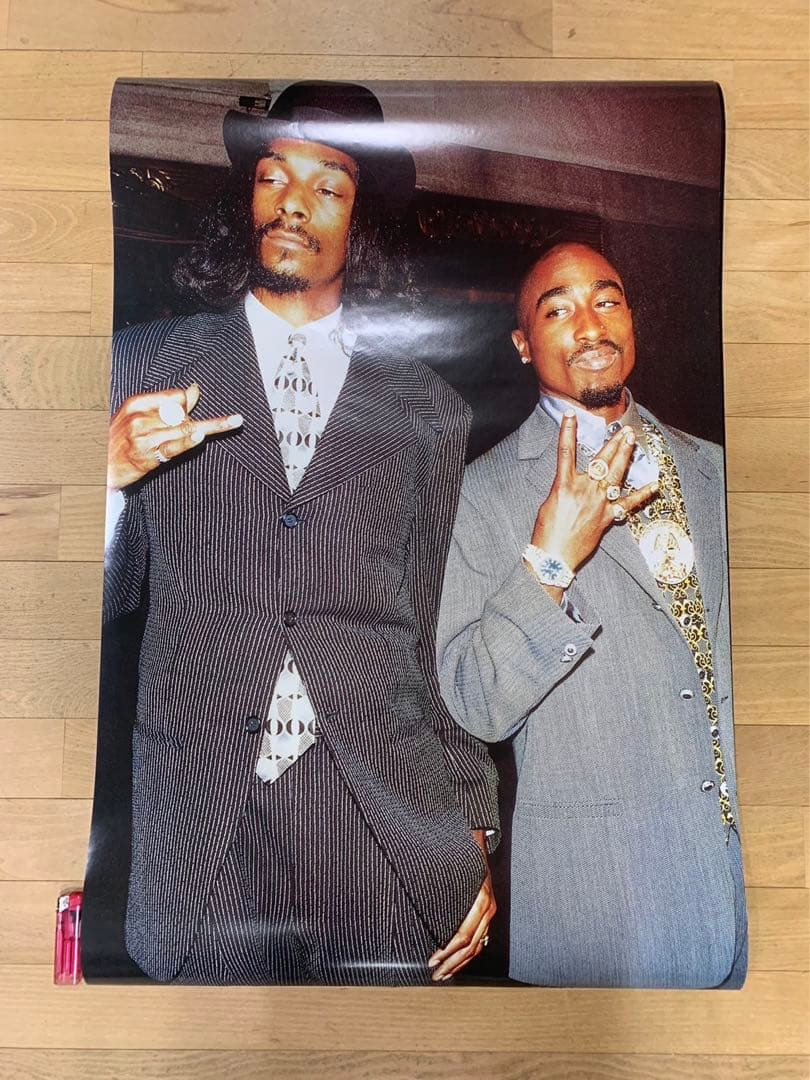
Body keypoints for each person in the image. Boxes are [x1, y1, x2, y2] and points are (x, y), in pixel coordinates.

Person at [101, 81, 498, 986]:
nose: (292, 203)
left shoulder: (429, 408)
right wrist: (109, 481)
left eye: (329, 186)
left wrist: (473, 822)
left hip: (380, 817)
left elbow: (437, 627)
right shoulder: (140, 366)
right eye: (274, 176)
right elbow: (89, 606)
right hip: (200, 814)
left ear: (361, 221)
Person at [437, 240, 747, 989]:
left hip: (762, 895)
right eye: (558, 310)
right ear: (522, 343)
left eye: (607, 301)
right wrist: (550, 561)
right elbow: (473, 699)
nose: (590, 325)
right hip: (611, 910)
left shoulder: (720, 469)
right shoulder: (477, 495)